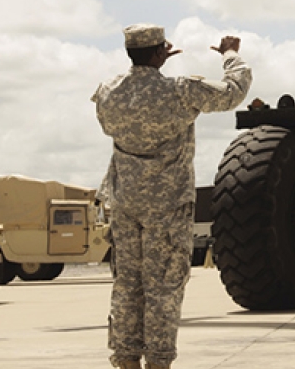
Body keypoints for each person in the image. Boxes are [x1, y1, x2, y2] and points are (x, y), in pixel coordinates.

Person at [93, 24, 252, 369]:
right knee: (164, 284)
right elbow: (232, 92)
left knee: (127, 285)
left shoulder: (108, 92)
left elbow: (108, 125)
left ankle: (125, 359)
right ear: (158, 53)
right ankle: (159, 362)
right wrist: (230, 54)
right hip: (166, 205)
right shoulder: (179, 91)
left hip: (124, 201)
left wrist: (153, 60)